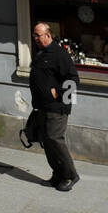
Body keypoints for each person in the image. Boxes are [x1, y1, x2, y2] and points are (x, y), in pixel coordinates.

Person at [29, 22, 80, 191]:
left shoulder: (59, 54)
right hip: (42, 106)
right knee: (47, 141)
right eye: (34, 35)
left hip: (57, 108)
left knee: (55, 140)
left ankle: (70, 175)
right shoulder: (40, 53)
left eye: (38, 35)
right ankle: (57, 174)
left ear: (48, 35)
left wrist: (58, 92)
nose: (35, 38)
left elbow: (74, 80)